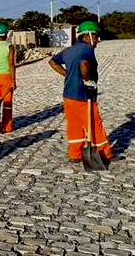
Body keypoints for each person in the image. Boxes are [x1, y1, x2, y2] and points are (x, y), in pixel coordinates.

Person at [48, 21, 115, 163]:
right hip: (83, 96)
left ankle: (75, 153)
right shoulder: (87, 49)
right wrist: (87, 80)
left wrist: (67, 74)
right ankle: (104, 154)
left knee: (74, 125)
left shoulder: (70, 49)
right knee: (94, 124)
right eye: (96, 36)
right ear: (88, 36)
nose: (97, 40)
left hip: (68, 95)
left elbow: (53, 62)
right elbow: (84, 64)